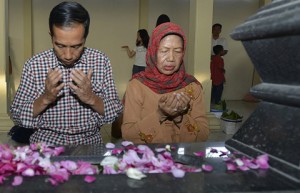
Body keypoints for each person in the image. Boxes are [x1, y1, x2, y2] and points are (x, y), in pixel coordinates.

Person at [10, 1, 123, 145]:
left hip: (89, 144)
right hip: (46, 144)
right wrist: (45, 98)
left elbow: (115, 112)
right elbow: (17, 115)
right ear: (51, 36)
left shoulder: (100, 61)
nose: (68, 55)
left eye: (76, 46)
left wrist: (91, 98)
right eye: (60, 45)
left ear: (85, 38)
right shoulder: (34, 65)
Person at [121, 22, 209, 144]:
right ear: (153, 51)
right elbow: (128, 135)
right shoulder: (137, 85)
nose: (171, 58)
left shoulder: (192, 87)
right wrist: (160, 114)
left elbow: (203, 135)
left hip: (182, 159)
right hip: (148, 159)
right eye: (164, 51)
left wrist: (180, 117)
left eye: (177, 51)